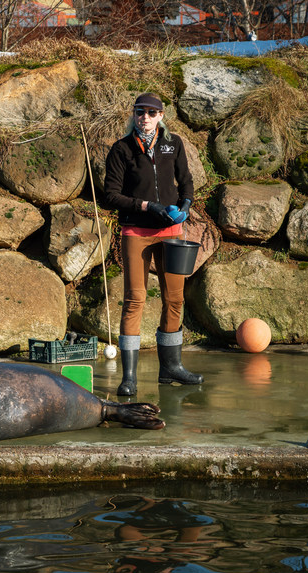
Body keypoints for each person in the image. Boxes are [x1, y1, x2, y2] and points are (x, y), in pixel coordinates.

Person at [103, 93, 203, 395]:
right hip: (136, 232)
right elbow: (111, 195)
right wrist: (147, 206)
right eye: (139, 112)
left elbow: (186, 181)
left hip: (172, 231)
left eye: (150, 112)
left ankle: (171, 368)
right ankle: (129, 376)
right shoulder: (121, 150)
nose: (144, 117)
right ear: (133, 115)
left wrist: (185, 204)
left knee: (175, 299)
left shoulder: (174, 144)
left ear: (161, 115)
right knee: (135, 299)